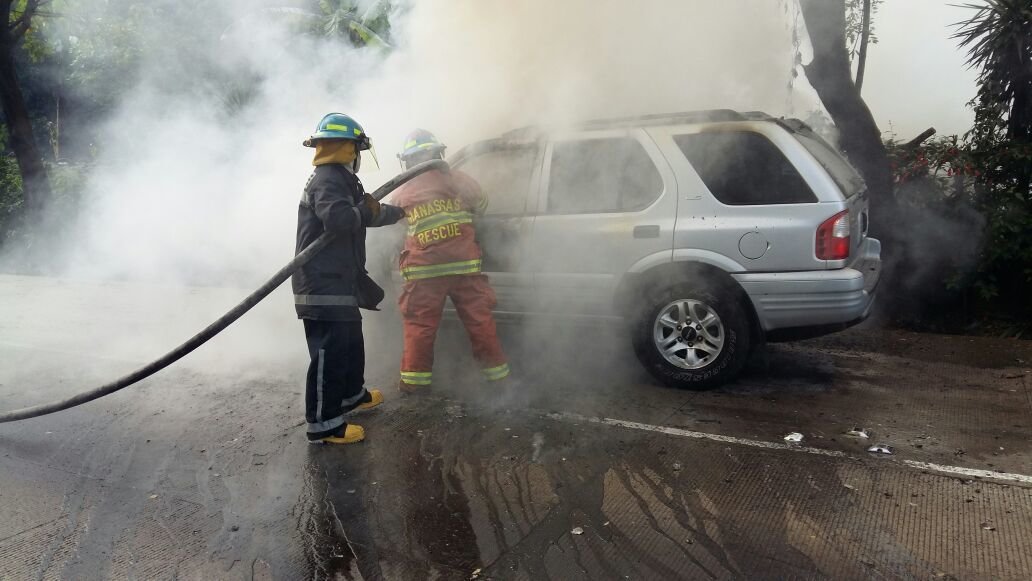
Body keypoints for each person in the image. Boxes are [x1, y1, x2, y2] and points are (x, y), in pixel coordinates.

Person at [293, 112, 405, 445]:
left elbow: (364, 212)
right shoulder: (328, 178)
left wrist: (398, 213)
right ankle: (323, 423)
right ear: (348, 148)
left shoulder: (341, 178)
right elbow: (341, 220)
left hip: (339, 278)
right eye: (357, 149)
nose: (359, 157)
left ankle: (349, 395)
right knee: (329, 351)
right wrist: (367, 212)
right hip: (320, 282)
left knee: (349, 342)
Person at [388, 129, 510, 393]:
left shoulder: (402, 192)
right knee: (480, 321)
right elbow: (483, 205)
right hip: (464, 265)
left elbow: (395, 227)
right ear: (439, 153)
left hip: (424, 271)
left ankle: (414, 384)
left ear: (408, 161)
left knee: (419, 325)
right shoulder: (462, 180)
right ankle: (498, 377)